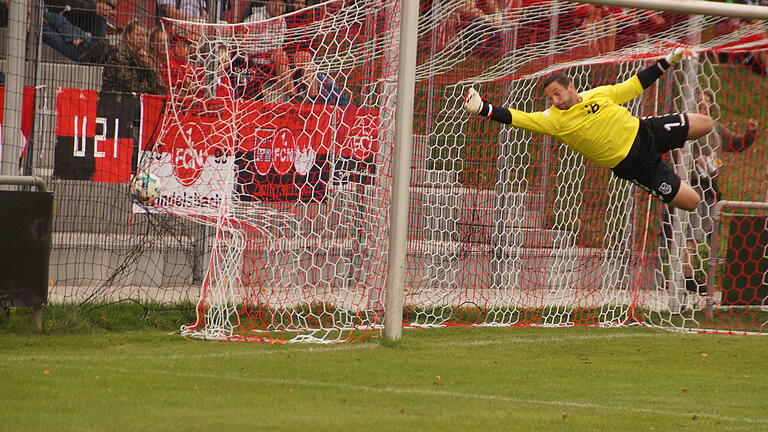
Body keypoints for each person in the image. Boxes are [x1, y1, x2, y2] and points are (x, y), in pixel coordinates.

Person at [463, 48, 714, 211]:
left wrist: (667, 61)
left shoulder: (597, 93)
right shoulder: (554, 120)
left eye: (557, 93)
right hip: (637, 166)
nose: (555, 101)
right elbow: (519, 118)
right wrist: (484, 109)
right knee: (691, 202)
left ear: (571, 86)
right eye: (550, 98)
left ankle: (680, 150)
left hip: (645, 130)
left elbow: (634, 86)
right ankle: (670, 168)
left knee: (706, 124)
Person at [102, 19, 166, 95]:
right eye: (138, 35)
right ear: (128, 36)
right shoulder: (119, 52)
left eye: (143, 35)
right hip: (114, 97)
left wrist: (147, 63)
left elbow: (154, 83)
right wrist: (150, 89)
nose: (141, 38)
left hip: (132, 98)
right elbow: (130, 84)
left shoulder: (139, 56)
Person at [44, 0, 117, 39]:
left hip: (77, 13)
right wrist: (94, 7)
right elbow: (64, 3)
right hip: (58, 12)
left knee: (100, 18)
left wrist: (100, 8)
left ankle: (97, 52)